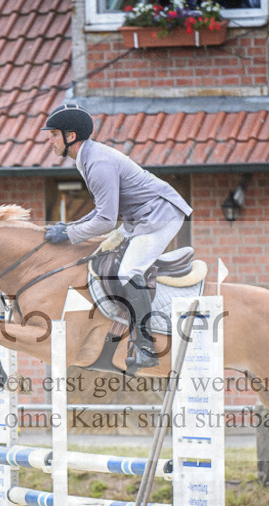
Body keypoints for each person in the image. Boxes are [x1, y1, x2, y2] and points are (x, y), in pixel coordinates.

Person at [40, 103, 192, 375]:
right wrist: (69, 226)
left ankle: (145, 347)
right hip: (139, 218)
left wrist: (69, 233)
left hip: (160, 216)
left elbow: (107, 221)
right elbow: (101, 212)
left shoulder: (97, 163)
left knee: (127, 272)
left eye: (53, 135)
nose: (49, 141)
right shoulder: (87, 158)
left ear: (70, 136)